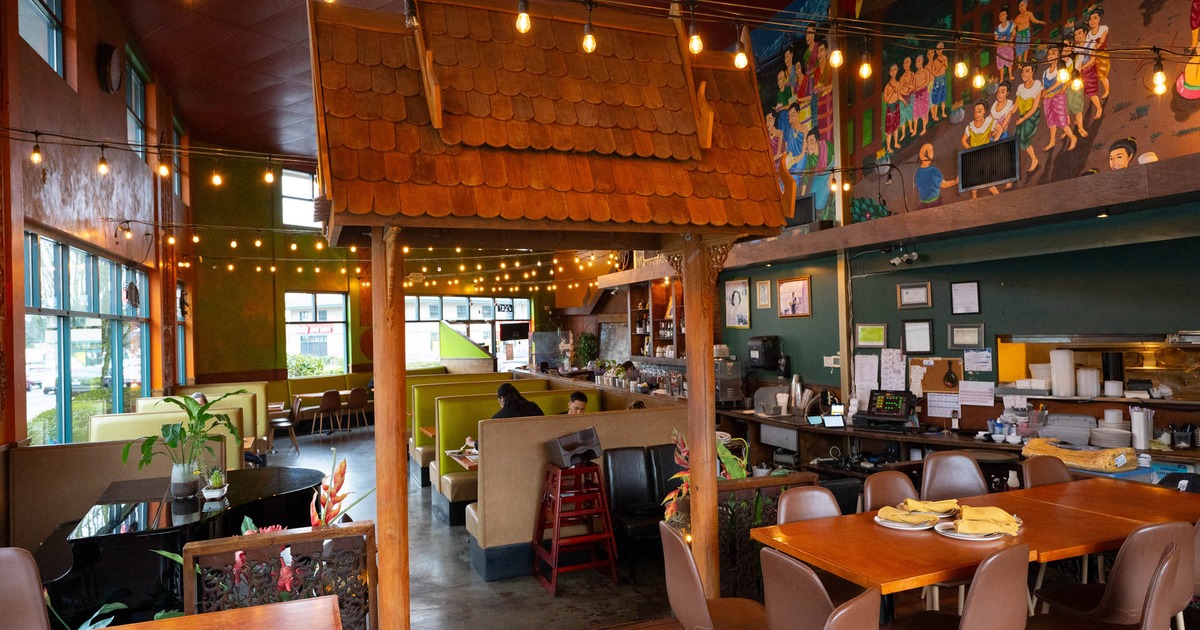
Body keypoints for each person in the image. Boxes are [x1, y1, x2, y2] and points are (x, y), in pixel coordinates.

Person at [914, 143, 958, 209]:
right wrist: (956, 181)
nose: (933, 151)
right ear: (928, 155)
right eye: (931, 150)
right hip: (935, 203)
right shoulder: (934, 171)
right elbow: (944, 185)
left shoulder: (917, 173)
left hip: (922, 205)